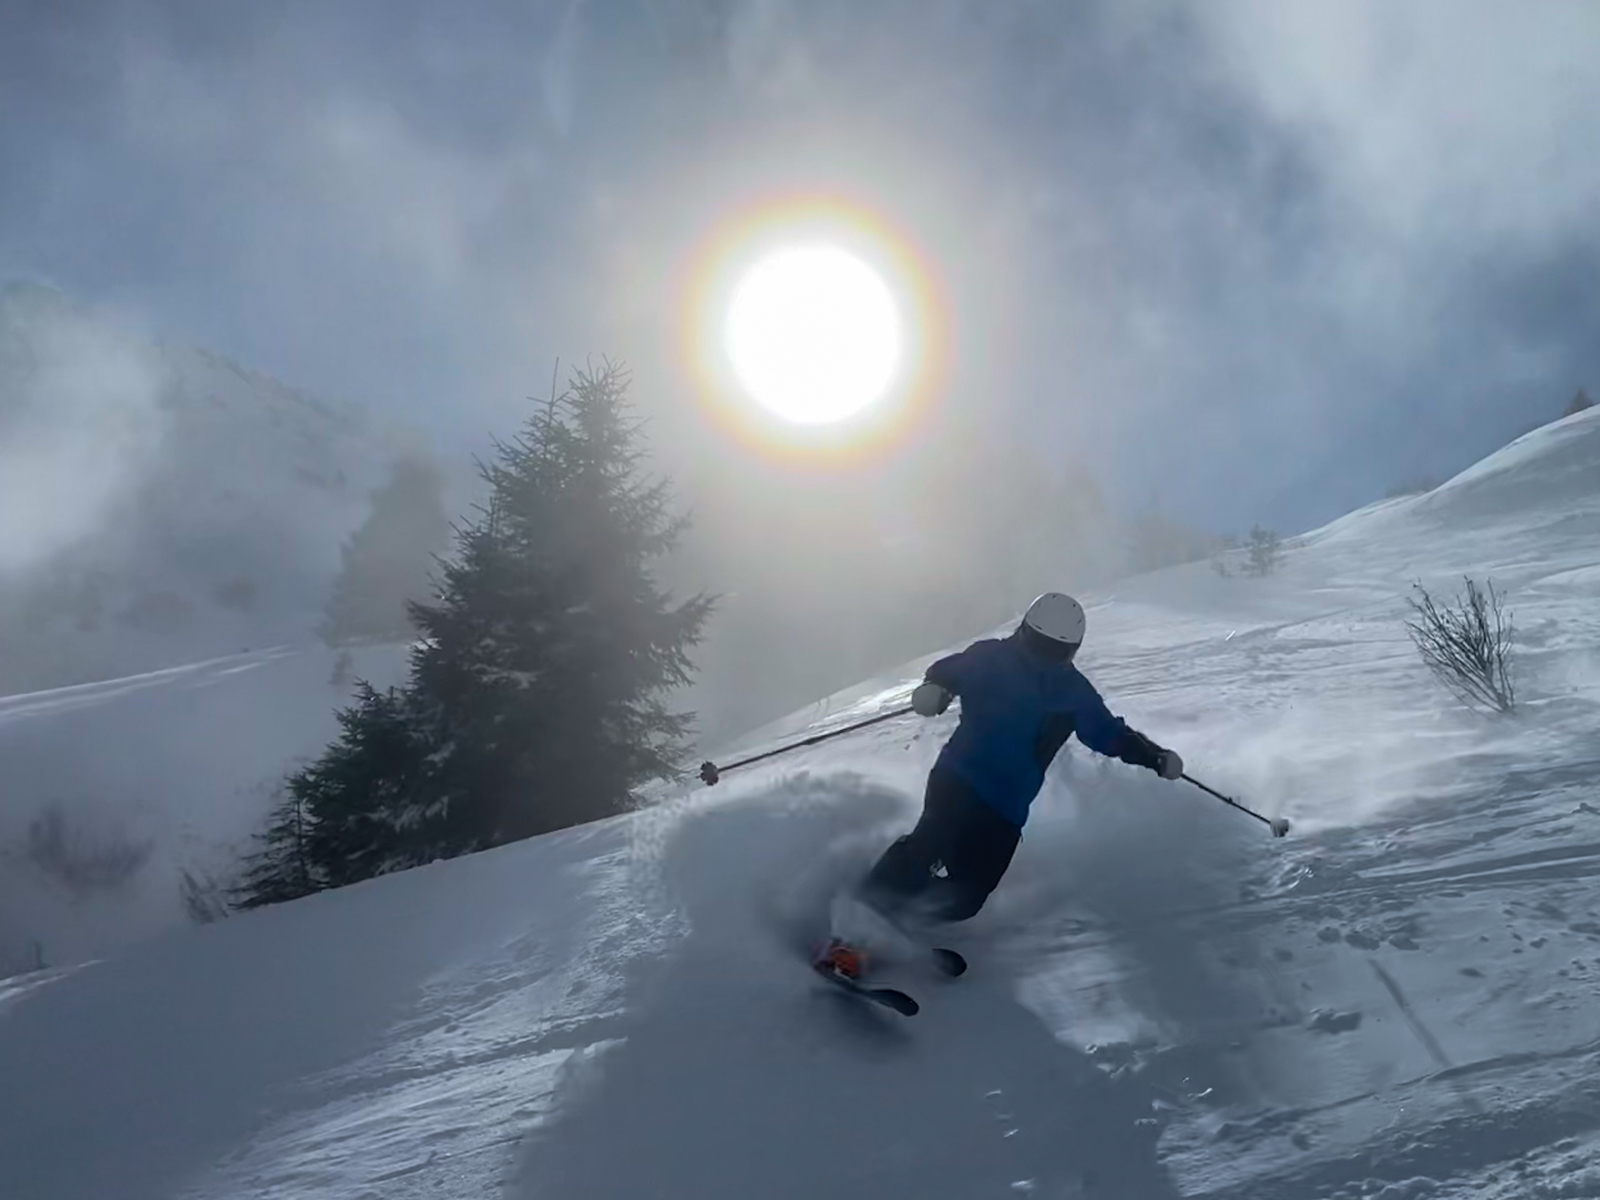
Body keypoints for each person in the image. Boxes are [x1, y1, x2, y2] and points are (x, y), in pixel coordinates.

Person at [817, 592, 1183, 981]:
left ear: (1071, 650)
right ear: (1024, 631)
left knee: (967, 898)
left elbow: (1109, 734)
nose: (1043, 655)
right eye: (1038, 643)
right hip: (960, 775)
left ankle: (899, 914)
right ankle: (853, 935)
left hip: (1007, 807)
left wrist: (1154, 756)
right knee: (928, 843)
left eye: (1055, 649)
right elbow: (948, 671)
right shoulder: (991, 658)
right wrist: (935, 689)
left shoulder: (1074, 691)